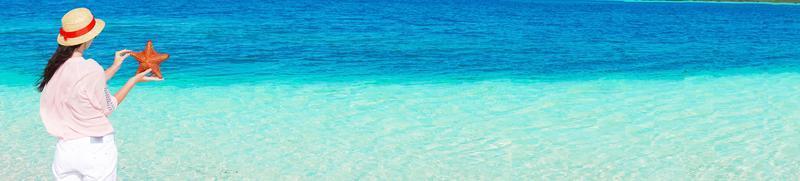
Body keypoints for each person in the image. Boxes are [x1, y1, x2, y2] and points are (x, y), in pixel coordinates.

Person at [38, 7, 162, 180]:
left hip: (65, 152)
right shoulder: (90, 67)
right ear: (88, 38)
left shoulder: (55, 69)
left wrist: (115, 66)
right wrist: (132, 81)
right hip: (95, 149)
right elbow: (108, 107)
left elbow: (85, 85)